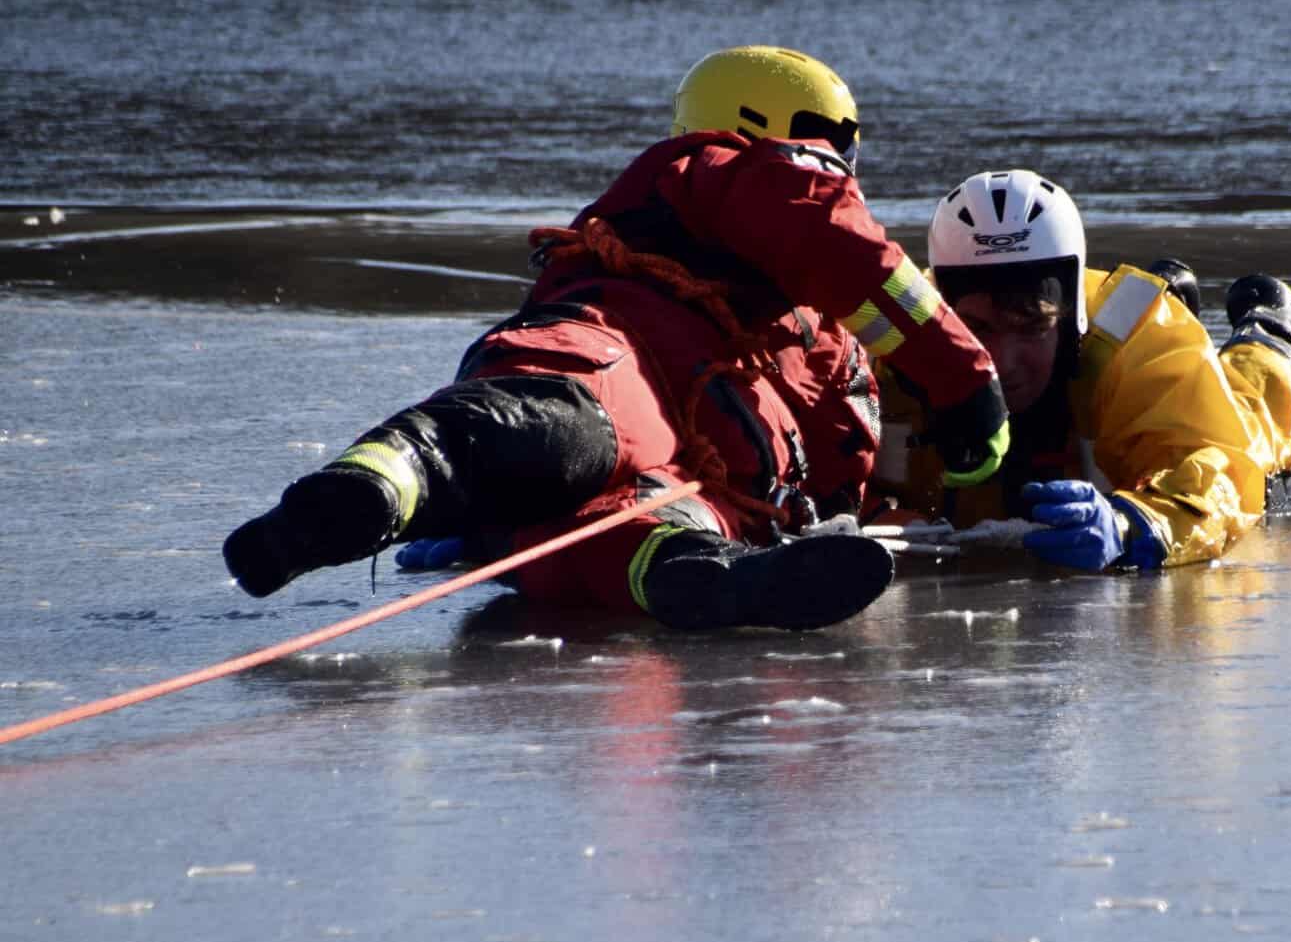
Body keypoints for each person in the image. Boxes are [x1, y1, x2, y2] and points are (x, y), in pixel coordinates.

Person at [223, 47, 1010, 629]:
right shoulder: (716, 170)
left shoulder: (815, 335)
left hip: (707, 472)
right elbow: (834, 238)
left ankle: (691, 574)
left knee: (614, 531)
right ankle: (378, 490)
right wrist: (966, 382)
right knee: (572, 425)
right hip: (622, 353)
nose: (841, 171)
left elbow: (844, 448)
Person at [868, 168, 1291, 570]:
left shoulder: (1138, 336)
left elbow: (1220, 468)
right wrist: (876, 515)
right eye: (977, 329)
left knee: (1247, 433)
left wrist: (1132, 525)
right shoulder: (890, 348)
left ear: (1071, 316)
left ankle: (1279, 342)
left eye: (1030, 327)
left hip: (1142, 395)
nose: (1002, 361)